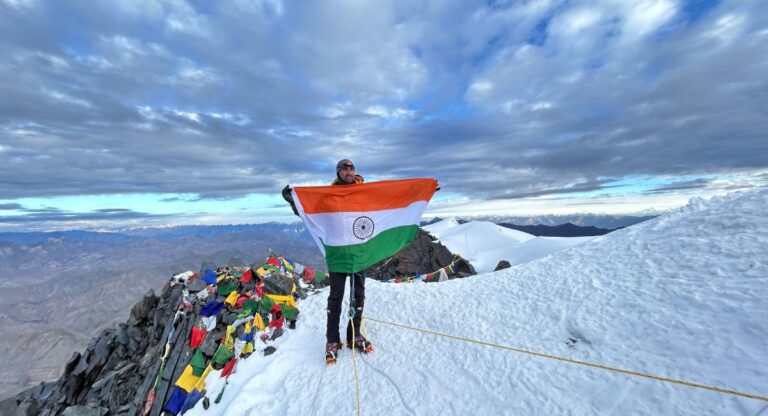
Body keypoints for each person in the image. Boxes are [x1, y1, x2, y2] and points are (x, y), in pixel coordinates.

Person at [281, 159, 373, 363]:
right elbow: (311, 213)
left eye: (351, 168)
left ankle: (354, 334)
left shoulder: (365, 193)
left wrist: (420, 192)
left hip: (359, 253)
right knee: (336, 297)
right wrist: (293, 200)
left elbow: (390, 201)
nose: (349, 171)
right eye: (344, 168)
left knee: (359, 295)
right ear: (338, 172)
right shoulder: (328, 196)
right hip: (338, 254)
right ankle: (332, 339)